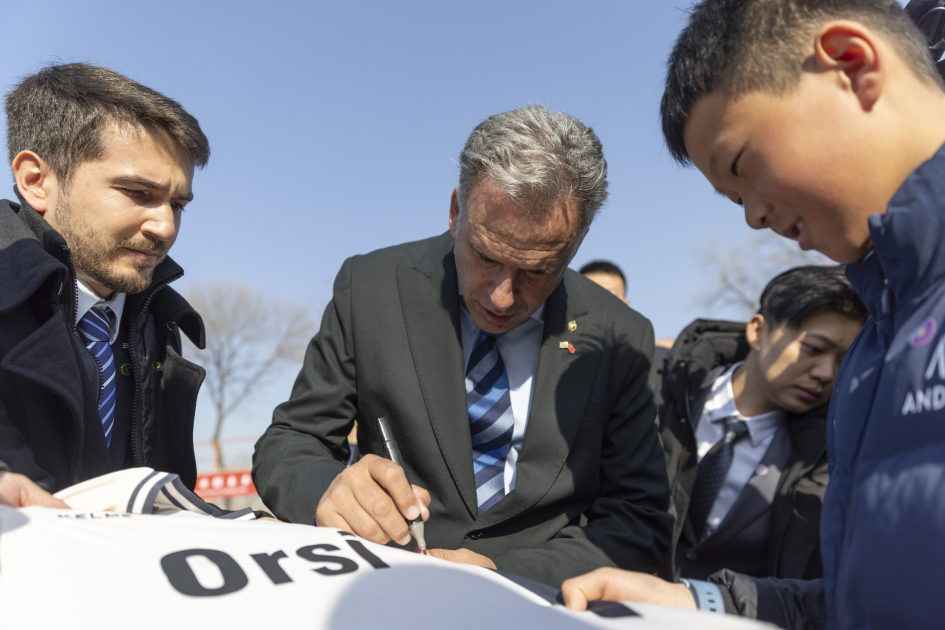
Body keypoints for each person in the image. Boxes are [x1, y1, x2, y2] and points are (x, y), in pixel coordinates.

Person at [562, 0, 945, 627]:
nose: (754, 217)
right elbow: (861, 605)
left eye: (743, 167)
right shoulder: (875, 348)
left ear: (851, 65)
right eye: (733, 198)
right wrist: (698, 601)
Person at [252, 105, 674, 587]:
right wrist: (326, 492)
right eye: (486, 256)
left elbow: (639, 518)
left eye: (538, 270)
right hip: (390, 588)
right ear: (456, 211)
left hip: (540, 603)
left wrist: (507, 575)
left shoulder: (621, 335)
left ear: (577, 242)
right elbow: (291, 440)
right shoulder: (371, 287)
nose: (502, 296)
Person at [0, 63, 210, 494]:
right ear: (36, 181)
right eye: (137, 193)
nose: (166, 227)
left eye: (177, 205)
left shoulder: (158, 325)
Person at [659, 266, 866, 583]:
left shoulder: (831, 454)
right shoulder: (657, 390)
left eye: (843, 361)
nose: (826, 373)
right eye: (813, 349)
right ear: (758, 331)